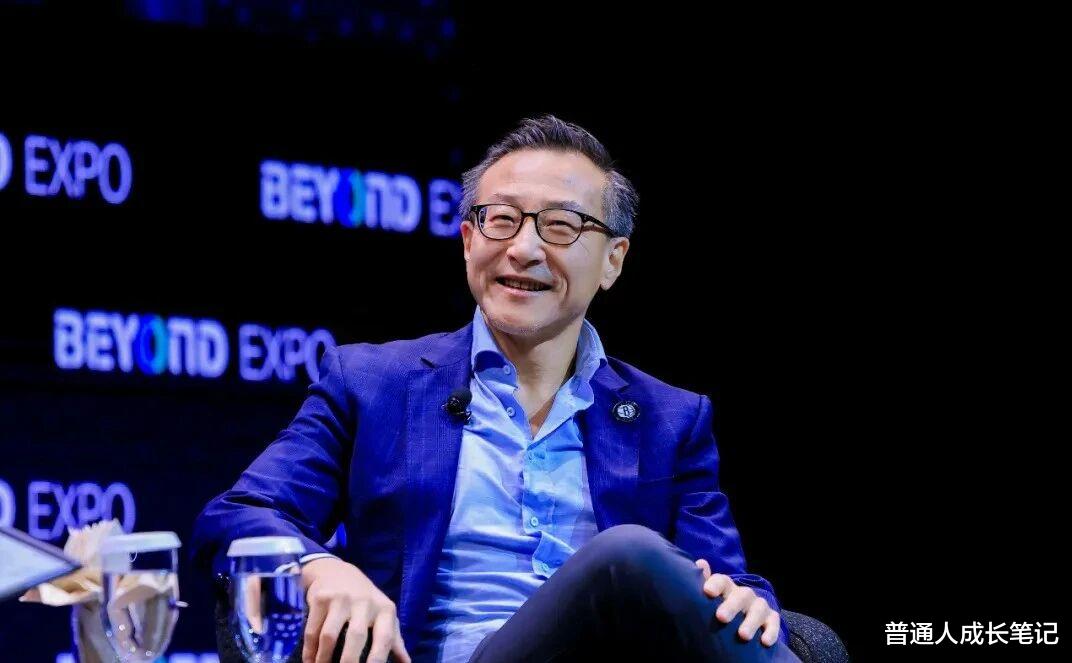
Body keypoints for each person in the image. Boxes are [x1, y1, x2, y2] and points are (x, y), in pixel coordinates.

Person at [193, 115, 800, 663]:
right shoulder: (372, 385)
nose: (523, 249)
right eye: (502, 220)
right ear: (468, 242)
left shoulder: (671, 419)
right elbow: (239, 514)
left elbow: (727, 585)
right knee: (627, 559)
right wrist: (320, 566)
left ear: (613, 261)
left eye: (560, 226)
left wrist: (748, 601)